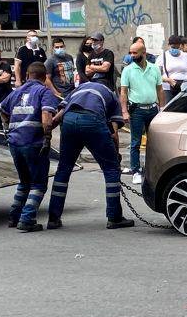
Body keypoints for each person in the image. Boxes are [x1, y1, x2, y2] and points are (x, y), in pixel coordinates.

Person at [45, 80, 134, 230]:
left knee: (64, 169)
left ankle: (53, 218)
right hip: (92, 120)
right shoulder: (112, 96)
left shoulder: (78, 89)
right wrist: (115, 156)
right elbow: (113, 133)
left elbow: (58, 116)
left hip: (69, 120)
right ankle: (114, 217)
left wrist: (45, 136)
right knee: (111, 170)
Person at [0, 62, 58, 232]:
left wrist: (7, 125)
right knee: (38, 183)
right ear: (44, 77)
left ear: (27, 76)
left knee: (24, 181)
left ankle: (14, 216)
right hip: (33, 142)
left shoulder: (16, 92)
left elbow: (2, 108)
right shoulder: (44, 92)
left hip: (15, 142)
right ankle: (27, 219)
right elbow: (46, 117)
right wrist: (47, 137)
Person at [120, 40, 165, 186]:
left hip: (152, 109)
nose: (132, 56)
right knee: (135, 142)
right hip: (137, 110)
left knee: (154, 142)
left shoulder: (154, 68)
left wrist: (162, 108)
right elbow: (123, 92)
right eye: (131, 53)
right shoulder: (128, 70)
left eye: (135, 53)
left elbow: (160, 89)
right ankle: (136, 171)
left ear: (143, 53)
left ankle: (151, 170)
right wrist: (124, 111)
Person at [161, 35, 187, 101]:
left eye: (177, 47)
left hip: (184, 87)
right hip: (168, 88)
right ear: (168, 45)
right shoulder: (163, 57)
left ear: (180, 46)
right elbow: (156, 75)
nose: (175, 50)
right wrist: (168, 80)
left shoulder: (186, 56)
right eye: (173, 47)